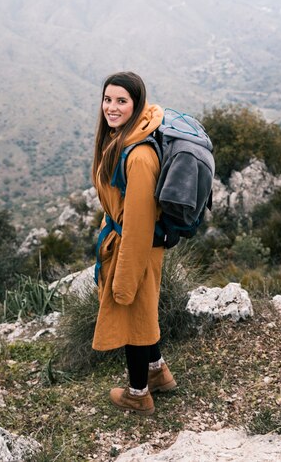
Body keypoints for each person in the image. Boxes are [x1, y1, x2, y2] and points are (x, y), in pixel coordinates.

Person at [91, 71, 177, 416]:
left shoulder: (139, 157)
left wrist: (124, 279)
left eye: (121, 101)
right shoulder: (121, 138)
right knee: (143, 311)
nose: (111, 107)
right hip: (127, 243)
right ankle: (158, 372)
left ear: (136, 103)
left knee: (132, 316)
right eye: (108, 99)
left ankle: (138, 394)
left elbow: (139, 227)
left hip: (136, 249)